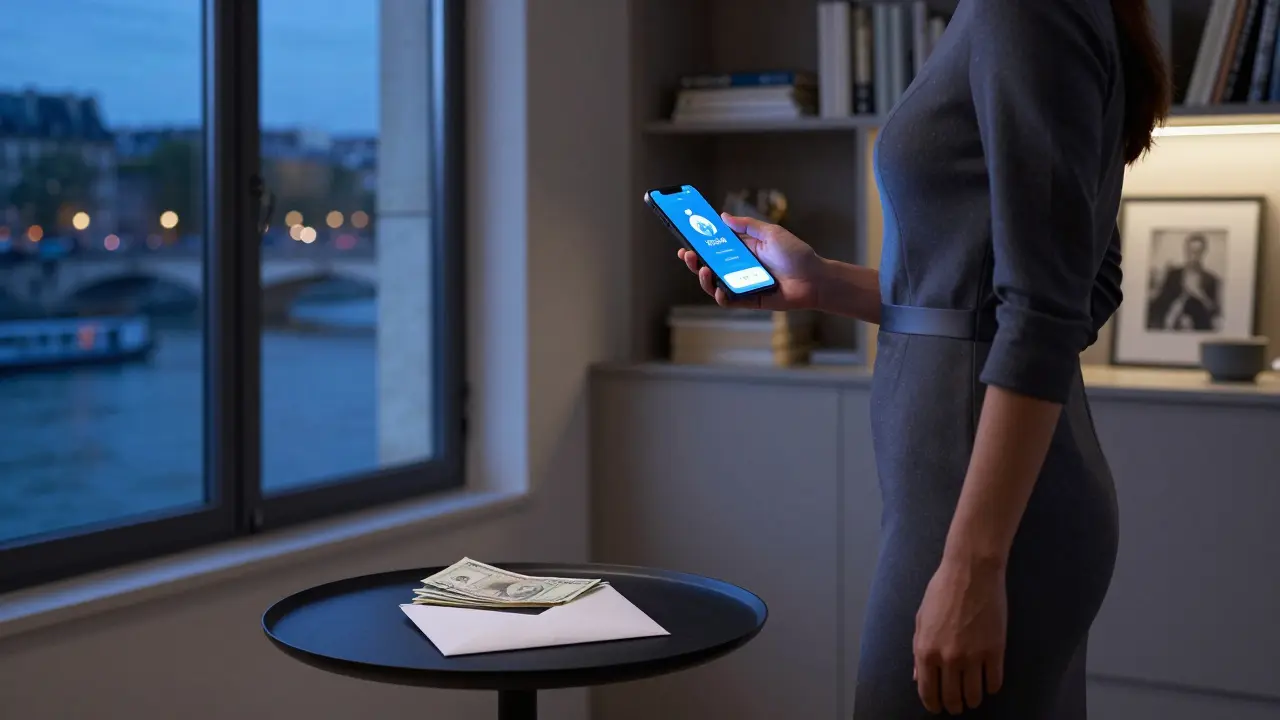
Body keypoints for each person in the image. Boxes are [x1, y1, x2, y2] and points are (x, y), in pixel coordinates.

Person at [676, 0, 1169, 716]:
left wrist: (973, 566)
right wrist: (822, 282)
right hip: (988, 502)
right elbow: (1082, 283)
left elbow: (1046, 311)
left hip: (981, 511)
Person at [1146, 233, 1221, 331]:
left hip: (1197, 328)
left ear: (1203, 253)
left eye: (1197, 252)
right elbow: (1159, 303)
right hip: (1170, 326)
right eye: (1190, 251)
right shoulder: (1173, 274)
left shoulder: (1211, 279)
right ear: (1185, 251)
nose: (1193, 256)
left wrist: (1200, 294)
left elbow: (1215, 312)